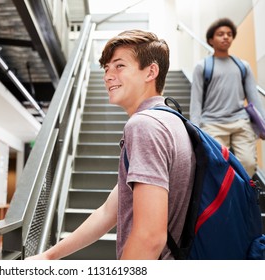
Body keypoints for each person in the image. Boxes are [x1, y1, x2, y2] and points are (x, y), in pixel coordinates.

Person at [27, 29, 196, 260]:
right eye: (106, 68)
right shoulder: (171, 120)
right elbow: (109, 211)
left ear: (151, 71)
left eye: (119, 66)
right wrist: (48, 256)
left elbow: (150, 237)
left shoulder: (144, 126)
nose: (107, 76)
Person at [190, 18, 265, 177]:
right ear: (211, 40)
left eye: (229, 34)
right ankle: (226, 196)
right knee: (216, 163)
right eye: (220, 34)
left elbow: (254, 98)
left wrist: (263, 125)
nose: (226, 37)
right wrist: (195, 130)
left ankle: (243, 196)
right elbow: (195, 102)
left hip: (240, 121)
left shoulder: (242, 66)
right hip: (212, 123)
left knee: (249, 163)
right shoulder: (202, 66)